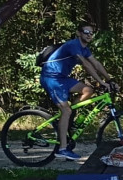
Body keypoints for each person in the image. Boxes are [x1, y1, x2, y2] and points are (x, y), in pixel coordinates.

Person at [39, 22, 118, 160]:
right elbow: (86, 65)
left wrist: (110, 80)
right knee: (66, 111)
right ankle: (62, 149)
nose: (89, 35)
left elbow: (96, 63)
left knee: (88, 90)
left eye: (91, 33)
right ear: (79, 33)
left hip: (63, 78)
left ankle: (69, 120)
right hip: (51, 78)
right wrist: (101, 82)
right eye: (86, 32)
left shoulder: (85, 49)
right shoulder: (73, 45)